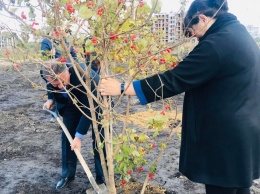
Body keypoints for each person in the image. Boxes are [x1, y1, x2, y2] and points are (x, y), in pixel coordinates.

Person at [99, 0, 260, 193]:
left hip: (225, 140)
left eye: (192, 31)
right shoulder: (240, 34)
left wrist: (122, 87)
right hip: (244, 133)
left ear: (202, 18)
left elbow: (173, 79)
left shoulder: (217, 44)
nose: (194, 37)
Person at [41, 59, 105, 190]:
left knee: (100, 139)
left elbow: (89, 109)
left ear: (67, 71)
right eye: (55, 84)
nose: (60, 87)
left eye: (61, 82)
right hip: (72, 103)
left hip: (97, 103)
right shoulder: (46, 73)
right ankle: (68, 175)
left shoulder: (86, 76)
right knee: (67, 137)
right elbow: (49, 85)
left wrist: (79, 137)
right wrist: (50, 98)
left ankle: (102, 179)